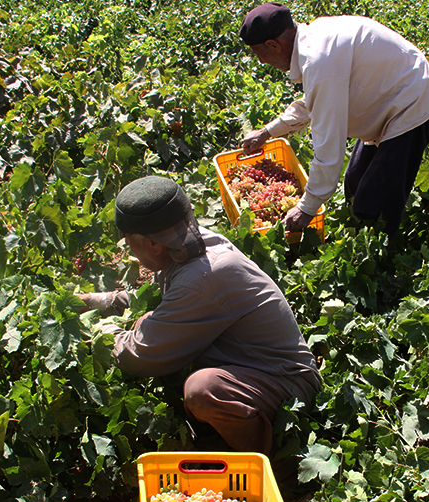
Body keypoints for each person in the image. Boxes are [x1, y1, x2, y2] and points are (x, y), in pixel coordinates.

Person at [79, 175, 322, 454]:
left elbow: (138, 356)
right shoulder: (188, 244)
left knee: (203, 390)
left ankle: (269, 460)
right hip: (250, 365)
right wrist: (97, 301)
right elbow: (160, 298)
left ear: (153, 244)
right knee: (148, 322)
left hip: (287, 386)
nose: (130, 254)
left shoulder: (202, 277)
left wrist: (101, 333)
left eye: (130, 245)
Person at [239, 3, 429, 245]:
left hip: (415, 106)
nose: (262, 62)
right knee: (355, 182)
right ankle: (359, 238)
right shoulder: (317, 41)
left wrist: (307, 208)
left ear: (273, 45)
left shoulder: (319, 61)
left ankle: (380, 264)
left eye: (259, 54)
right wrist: (268, 131)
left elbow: (328, 149)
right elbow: (316, 100)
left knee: (373, 203)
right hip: (390, 103)